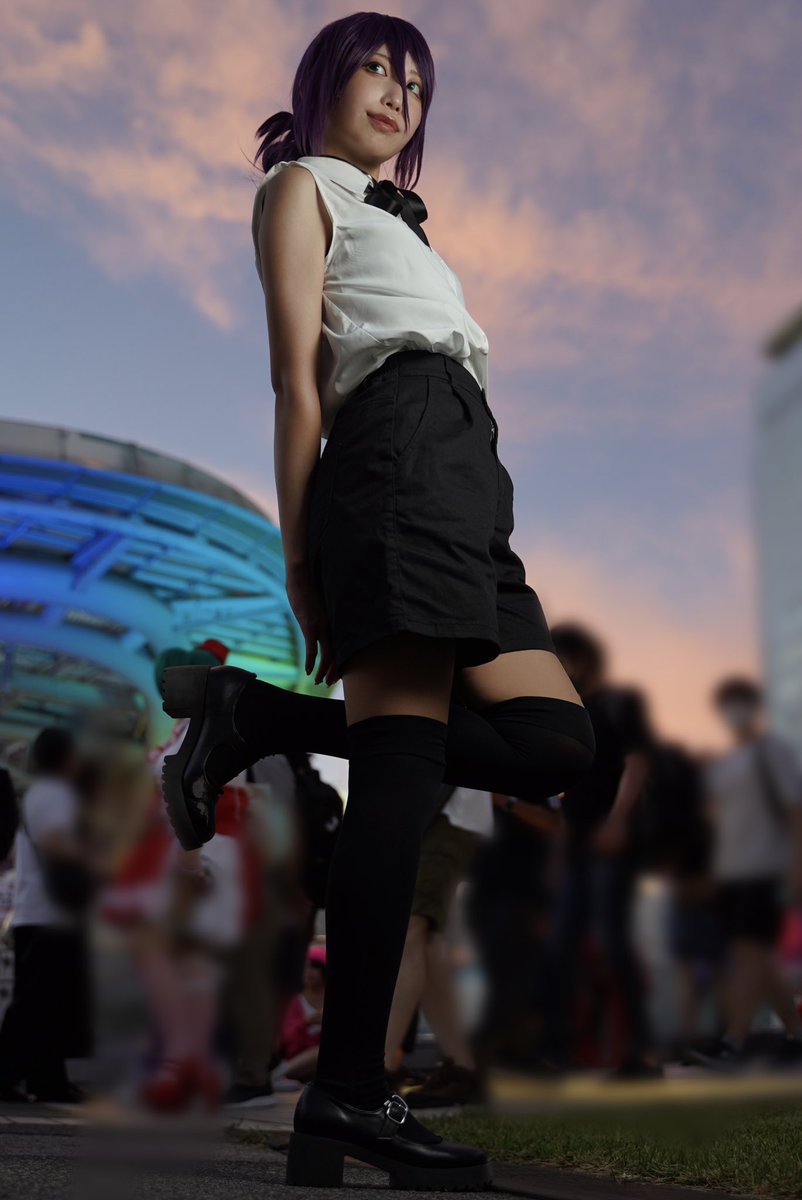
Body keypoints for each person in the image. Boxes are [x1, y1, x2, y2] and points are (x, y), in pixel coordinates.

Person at [159, 13, 595, 1189]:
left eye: (417, 83)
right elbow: (296, 381)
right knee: (398, 775)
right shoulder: (300, 188)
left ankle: (253, 717)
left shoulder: (402, 222)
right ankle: (351, 1091)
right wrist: (300, 559)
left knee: (557, 741)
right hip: (390, 450)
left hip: (465, 471)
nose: (400, 95)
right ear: (324, 82)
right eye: (376, 69)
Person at [542, 623, 660, 1079]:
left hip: (612, 844)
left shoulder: (619, 702)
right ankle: (557, 1052)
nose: (560, 668)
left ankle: (642, 1055)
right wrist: (558, 855)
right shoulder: (573, 713)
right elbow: (568, 793)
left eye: (563, 658)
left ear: (584, 659)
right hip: (577, 849)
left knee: (613, 942)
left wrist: (618, 821)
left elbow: (637, 761)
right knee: (562, 945)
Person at [686, 677, 802, 1070]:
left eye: (739, 701)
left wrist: (796, 867)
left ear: (754, 705)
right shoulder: (726, 762)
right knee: (757, 958)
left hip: (766, 869)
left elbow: (795, 812)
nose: (733, 711)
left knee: (751, 953)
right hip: (732, 872)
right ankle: (796, 1036)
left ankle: (733, 1042)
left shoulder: (774, 751)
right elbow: (716, 818)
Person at [384, 785, 494, 1108]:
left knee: (411, 928)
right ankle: (462, 1070)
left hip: (444, 811)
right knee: (426, 943)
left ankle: (379, 1070)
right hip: (442, 812)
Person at [0, 728, 94, 1104]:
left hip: (40, 913)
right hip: (48, 915)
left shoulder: (44, 792)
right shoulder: (54, 793)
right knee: (36, 1002)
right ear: (65, 757)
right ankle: (6, 1074)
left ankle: (48, 1079)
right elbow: (56, 843)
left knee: (48, 1002)